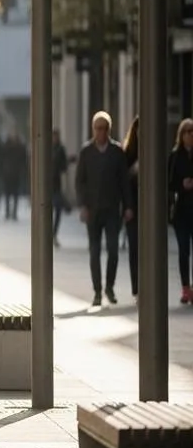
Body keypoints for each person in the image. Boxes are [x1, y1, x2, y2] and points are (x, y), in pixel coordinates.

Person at [74, 111, 130, 307]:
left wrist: (128, 206)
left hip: (112, 209)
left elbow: (124, 181)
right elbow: (79, 181)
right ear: (93, 129)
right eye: (98, 128)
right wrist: (82, 205)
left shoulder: (117, 152)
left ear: (109, 130)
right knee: (94, 251)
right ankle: (97, 291)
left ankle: (110, 286)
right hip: (92, 210)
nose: (101, 132)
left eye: (104, 128)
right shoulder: (86, 152)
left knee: (113, 250)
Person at [169, 118, 193, 305]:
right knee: (184, 250)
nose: (190, 135)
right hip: (182, 212)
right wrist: (181, 185)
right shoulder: (175, 156)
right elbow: (169, 184)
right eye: (187, 131)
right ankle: (186, 288)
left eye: (192, 131)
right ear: (182, 135)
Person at [122, 116, 141, 299]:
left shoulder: (155, 153)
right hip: (132, 208)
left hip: (151, 211)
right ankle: (136, 287)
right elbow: (122, 182)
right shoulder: (127, 153)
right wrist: (133, 172)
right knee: (134, 248)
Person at [53, 129, 71, 246]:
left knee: (58, 211)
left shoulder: (61, 149)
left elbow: (64, 167)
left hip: (56, 185)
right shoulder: (46, 148)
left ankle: (54, 234)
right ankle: (49, 234)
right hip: (47, 185)